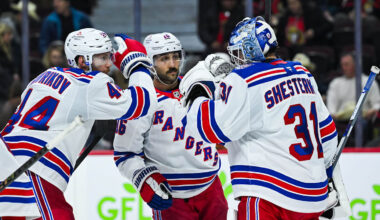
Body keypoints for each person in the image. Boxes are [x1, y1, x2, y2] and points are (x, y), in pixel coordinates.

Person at [180, 17, 342, 219]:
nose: (236, 59)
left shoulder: (245, 80)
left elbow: (211, 130)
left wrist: (197, 94)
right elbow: (327, 133)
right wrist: (323, 178)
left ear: (251, 50)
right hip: (312, 199)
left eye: (238, 52)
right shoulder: (302, 73)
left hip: (269, 196)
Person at [1, 28, 156, 219]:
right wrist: (138, 64)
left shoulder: (44, 76)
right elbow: (143, 104)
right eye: (102, 58)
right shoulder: (92, 82)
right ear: (82, 61)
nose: (109, 64)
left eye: (110, 56)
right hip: (34, 169)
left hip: (7, 162)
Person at [113, 32, 228, 219]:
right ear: (150, 62)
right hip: (171, 196)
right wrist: (143, 178)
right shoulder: (140, 101)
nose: (173, 64)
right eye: (164, 59)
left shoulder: (199, 87)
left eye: (176, 56)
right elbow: (124, 154)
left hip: (211, 189)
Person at [327, 52, 380, 146]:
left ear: (355, 65)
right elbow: (331, 109)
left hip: (363, 120)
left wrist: (371, 111)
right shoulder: (335, 83)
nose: (344, 67)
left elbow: (377, 103)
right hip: (340, 122)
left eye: (346, 64)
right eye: (342, 65)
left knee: (362, 125)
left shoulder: (368, 81)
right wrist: (334, 115)